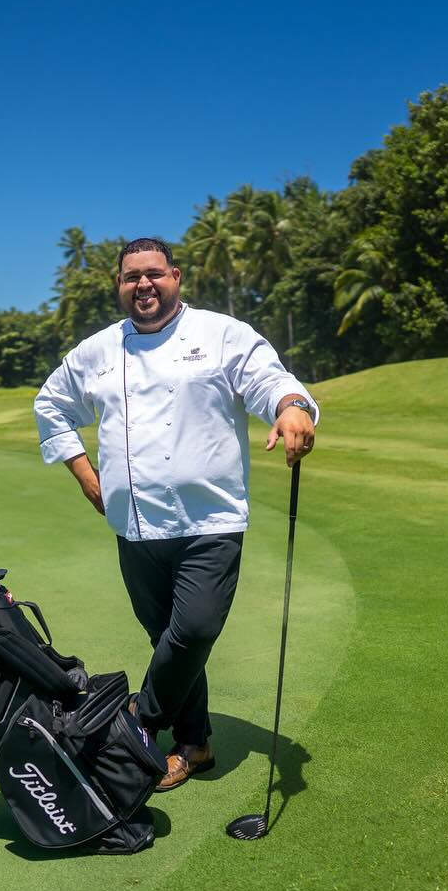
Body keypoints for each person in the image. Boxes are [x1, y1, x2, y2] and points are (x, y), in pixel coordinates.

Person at [33, 237, 318, 791]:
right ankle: (194, 746)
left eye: (154, 274)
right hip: (134, 523)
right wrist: (86, 475)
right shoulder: (97, 350)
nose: (143, 285)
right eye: (131, 277)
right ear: (119, 285)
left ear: (176, 277)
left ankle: (134, 725)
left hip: (209, 520)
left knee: (194, 630)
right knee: (166, 638)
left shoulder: (221, 334)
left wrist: (291, 408)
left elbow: (270, 380)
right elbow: (51, 404)